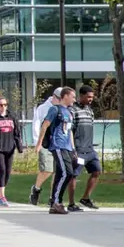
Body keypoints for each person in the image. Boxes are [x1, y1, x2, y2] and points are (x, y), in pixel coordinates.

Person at [40, 87, 77, 215]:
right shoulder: (54, 109)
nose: (74, 99)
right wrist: (39, 144)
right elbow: (45, 125)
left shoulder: (69, 112)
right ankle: (56, 202)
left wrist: (73, 149)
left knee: (63, 174)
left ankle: (56, 202)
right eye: (73, 96)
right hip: (58, 145)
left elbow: (69, 131)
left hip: (67, 146)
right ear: (65, 96)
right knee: (67, 173)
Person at [68, 85, 101, 211]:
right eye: (88, 97)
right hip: (79, 150)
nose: (91, 99)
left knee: (96, 171)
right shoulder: (73, 110)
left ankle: (85, 198)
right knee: (74, 175)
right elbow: (70, 130)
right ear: (81, 96)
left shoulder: (89, 110)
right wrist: (73, 148)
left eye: (92, 97)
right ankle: (71, 203)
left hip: (90, 150)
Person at [30, 88, 62, 206]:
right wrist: (37, 142)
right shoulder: (43, 108)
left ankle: (52, 197)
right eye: (60, 98)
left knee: (57, 171)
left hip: (58, 144)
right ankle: (36, 189)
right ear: (54, 97)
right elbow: (37, 124)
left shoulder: (63, 108)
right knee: (47, 170)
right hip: (45, 143)